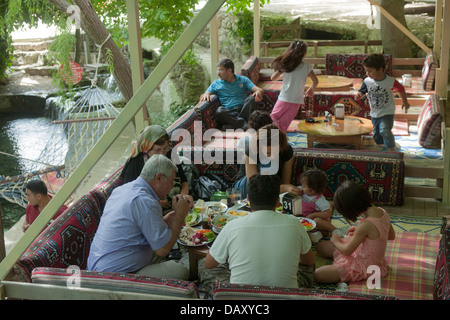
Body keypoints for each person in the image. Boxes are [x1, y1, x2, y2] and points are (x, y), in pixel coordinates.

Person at [87, 154, 192, 280]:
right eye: (171, 182)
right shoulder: (144, 200)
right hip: (113, 279)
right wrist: (180, 216)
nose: (172, 187)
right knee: (180, 270)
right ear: (158, 178)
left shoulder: (122, 190)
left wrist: (169, 219)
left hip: (96, 271)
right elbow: (163, 249)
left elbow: (136, 229)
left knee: (161, 242)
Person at [204, 173, 315, 288]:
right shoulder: (295, 223)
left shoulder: (232, 226)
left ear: (248, 199)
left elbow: (209, 264)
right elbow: (309, 261)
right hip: (286, 295)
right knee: (309, 268)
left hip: (239, 296)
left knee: (203, 265)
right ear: (278, 202)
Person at [314, 180, 396, 284]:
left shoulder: (366, 225)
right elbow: (391, 236)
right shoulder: (382, 211)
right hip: (364, 255)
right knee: (320, 247)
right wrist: (363, 234)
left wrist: (335, 241)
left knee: (318, 274)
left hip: (365, 266)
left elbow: (347, 251)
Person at [120, 125, 190, 211]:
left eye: (165, 148)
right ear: (146, 149)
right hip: (151, 211)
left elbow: (184, 182)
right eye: (157, 150)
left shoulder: (171, 155)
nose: (162, 154)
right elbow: (131, 197)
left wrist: (182, 199)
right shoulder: (135, 165)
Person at [355, 53, 410, 152]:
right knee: (376, 135)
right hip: (375, 113)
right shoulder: (367, 81)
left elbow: (401, 88)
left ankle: (392, 149)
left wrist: (405, 102)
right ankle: (384, 145)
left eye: (370, 71)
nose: (367, 74)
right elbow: (363, 90)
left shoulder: (390, 81)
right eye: (366, 71)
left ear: (380, 69)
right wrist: (359, 95)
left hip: (387, 111)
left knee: (384, 130)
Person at [233, 124, 301, 198]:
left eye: (275, 152)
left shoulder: (286, 150)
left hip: (270, 186)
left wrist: (285, 189)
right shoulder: (251, 150)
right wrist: (282, 188)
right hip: (245, 187)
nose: (272, 156)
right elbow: (254, 185)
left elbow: (285, 182)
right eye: (268, 153)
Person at [200, 58, 264, 130]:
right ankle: (245, 125)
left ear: (229, 70)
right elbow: (205, 94)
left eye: (220, 70)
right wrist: (205, 95)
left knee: (252, 98)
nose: (218, 73)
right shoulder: (216, 83)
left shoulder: (243, 80)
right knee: (219, 111)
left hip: (244, 111)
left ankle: (235, 126)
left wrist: (258, 92)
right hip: (229, 114)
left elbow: (259, 89)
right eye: (217, 70)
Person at [270, 39, 319, 133]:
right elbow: (316, 81)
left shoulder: (286, 64)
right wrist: (311, 89)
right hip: (297, 101)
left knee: (273, 117)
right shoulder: (307, 66)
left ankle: (273, 139)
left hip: (284, 98)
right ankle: (280, 142)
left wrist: (284, 76)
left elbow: (273, 78)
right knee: (284, 125)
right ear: (304, 53)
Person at [295, 169, 340, 243]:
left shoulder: (320, 200)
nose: (301, 187)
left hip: (317, 219)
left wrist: (313, 215)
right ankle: (317, 234)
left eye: (303, 186)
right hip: (305, 219)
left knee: (317, 221)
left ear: (312, 191)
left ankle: (334, 230)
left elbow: (328, 213)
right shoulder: (302, 191)